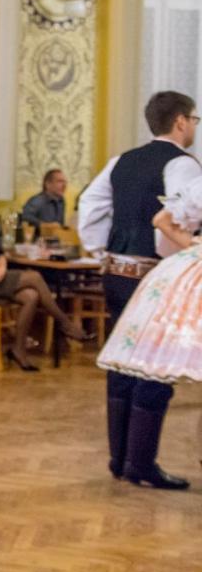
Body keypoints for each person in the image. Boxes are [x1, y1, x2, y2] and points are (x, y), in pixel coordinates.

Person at [80, 90, 202, 489]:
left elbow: (90, 204)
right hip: (156, 278)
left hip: (116, 271)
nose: (194, 128)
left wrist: (101, 250)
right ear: (181, 121)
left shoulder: (122, 161)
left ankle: (120, 460)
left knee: (122, 361)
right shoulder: (182, 165)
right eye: (195, 120)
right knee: (155, 364)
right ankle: (140, 463)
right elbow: (175, 219)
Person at [97, 177, 202, 481]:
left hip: (182, 275)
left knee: (154, 369)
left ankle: (133, 462)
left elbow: (161, 220)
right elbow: (160, 220)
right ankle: (138, 462)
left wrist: (193, 245)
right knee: (156, 372)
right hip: (191, 283)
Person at [0, 181, 92, 371]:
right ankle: (65, 324)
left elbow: (0, 251)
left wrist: (1, 262)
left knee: (31, 296)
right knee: (33, 277)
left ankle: (18, 350)